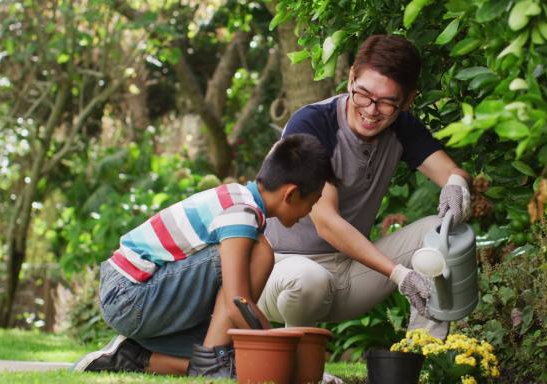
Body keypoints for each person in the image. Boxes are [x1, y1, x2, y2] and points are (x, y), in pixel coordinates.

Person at [258, 35, 472, 339]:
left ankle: (426, 355)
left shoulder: (402, 127)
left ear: (408, 100)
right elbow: (327, 223)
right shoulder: (314, 123)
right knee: (309, 279)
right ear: (350, 79)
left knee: (442, 233)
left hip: (348, 272)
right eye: (364, 95)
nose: (372, 111)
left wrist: (456, 184)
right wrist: (399, 274)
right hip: (281, 272)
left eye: (387, 102)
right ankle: (300, 365)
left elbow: (452, 171)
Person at [72, 133, 338, 378]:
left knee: (230, 351)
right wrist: (279, 348)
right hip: (129, 294)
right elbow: (237, 301)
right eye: (312, 203)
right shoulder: (241, 211)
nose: (310, 213)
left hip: (134, 296)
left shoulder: (241, 201)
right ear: (290, 194)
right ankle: (213, 359)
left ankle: (133, 356)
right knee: (261, 252)